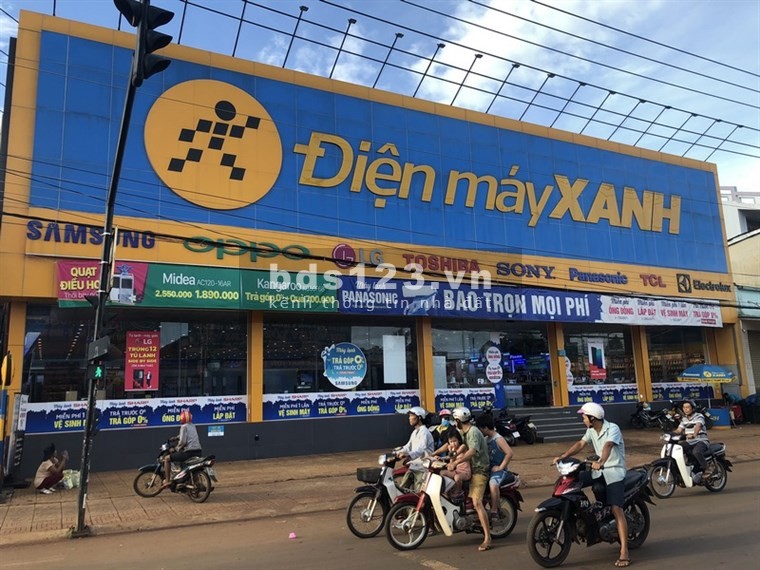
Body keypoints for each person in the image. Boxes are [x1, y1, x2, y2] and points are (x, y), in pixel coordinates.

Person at [552, 402, 629, 568]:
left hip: (614, 471)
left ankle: (624, 551)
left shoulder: (613, 428)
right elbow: (580, 444)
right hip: (598, 471)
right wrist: (563, 456)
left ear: (592, 418)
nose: (583, 419)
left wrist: (601, 462)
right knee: (573, 480)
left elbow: (608, 445)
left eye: (584, 417)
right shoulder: (591, 430)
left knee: (617, 509)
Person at [451, 406, 492, 552]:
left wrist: (456, 462)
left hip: (479, 471)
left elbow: (473, 451)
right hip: (469, 469)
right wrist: (449, 456)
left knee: (477, 502)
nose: (454, 423)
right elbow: (462, 446)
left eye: (454, 420)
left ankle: (488, 538)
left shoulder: (473, 432)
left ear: (458, 421)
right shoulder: (465, 432)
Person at [476, 413, 514, 521]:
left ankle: (494, 510)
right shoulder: (485, 439)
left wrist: (501, 467)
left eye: (480, 428)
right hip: (488, 469)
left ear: (485, 427)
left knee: (493, 485)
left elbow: (509, 453)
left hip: (499, 472)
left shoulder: (498, 439)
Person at [396, 406, 435, 489]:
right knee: (402, 487)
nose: (409, 418)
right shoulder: (414, 432)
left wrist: (408, 454)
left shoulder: (424, 432)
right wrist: (397, 452)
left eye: (411, 416)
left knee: (418, 492)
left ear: (419, 417)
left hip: (423, 467)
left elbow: (421, 449)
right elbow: (408, 446)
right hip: (415, 464)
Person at [162, 409, 202, 488]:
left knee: (167, 459)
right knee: (191, 466)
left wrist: (176, 449)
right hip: (198, 452)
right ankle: (196, 483)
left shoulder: (183, 427)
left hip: (189, 452)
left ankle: (167, 481)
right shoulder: (193, 426)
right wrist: (176, 437)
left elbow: (183, 442)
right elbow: (187, 436)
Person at [675, 400, 710, 482]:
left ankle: (707, 468)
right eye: (684, 407)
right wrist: (669, 435)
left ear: (693, 408)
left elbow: (698, 425)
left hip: (701, 440)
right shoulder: (684, 419)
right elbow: (678, 430)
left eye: (688, 407)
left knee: (696, 452)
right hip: (689, 442)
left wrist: (694, 434)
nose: (685, 409)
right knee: (677, 449)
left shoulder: (699, 416)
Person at [437, 428, 471, 497]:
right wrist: (440, 458)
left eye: (455, 441)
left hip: (465, 472)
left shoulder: (463, 447)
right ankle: (446, 491)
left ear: (459, 440)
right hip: (457, 471)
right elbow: (451, 465)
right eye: (451, 442)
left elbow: (454, 454)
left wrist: (449, 453)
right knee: (442, 473)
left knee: (457, 477)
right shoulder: (451, 449)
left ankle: (458, 492)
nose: (453, 444)